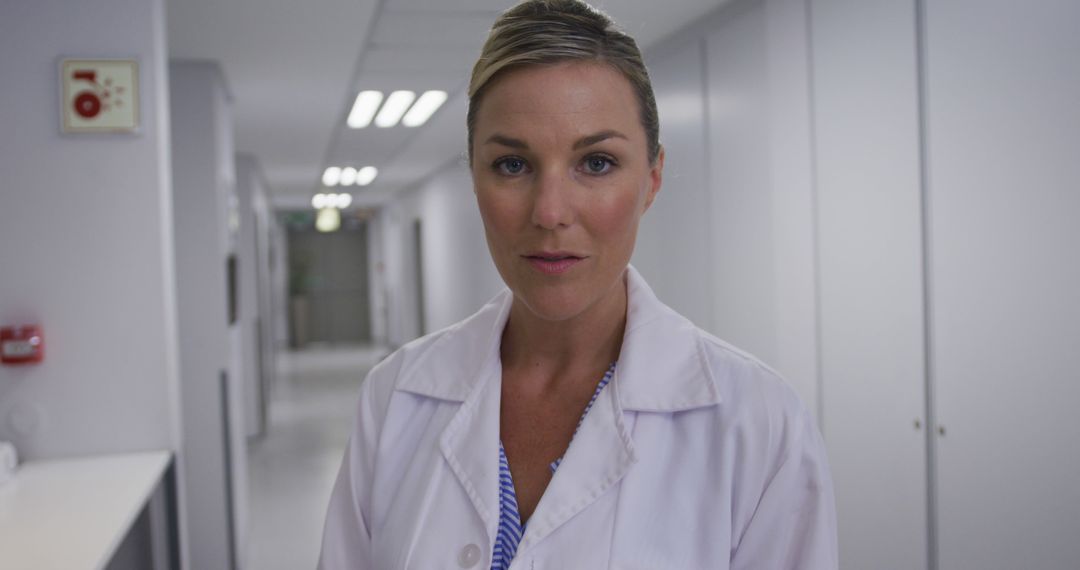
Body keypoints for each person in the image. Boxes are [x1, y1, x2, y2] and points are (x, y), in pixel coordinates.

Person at [319, 0, 838, 568]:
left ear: (652, 179)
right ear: (474, 177)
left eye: (596, 163)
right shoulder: (396, 397)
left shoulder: (757, 423)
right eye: (512, 165)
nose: (550, 212)